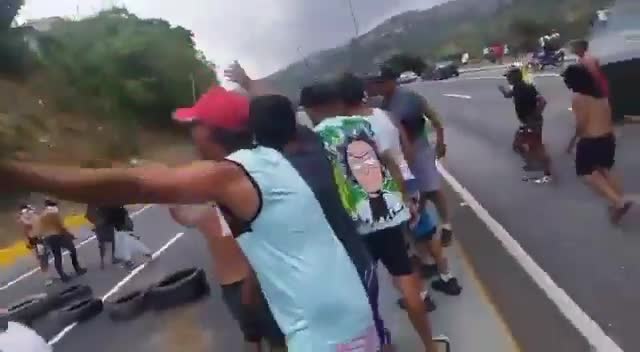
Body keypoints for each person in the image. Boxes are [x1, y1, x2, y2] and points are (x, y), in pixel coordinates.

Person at [0, 86, 377, 352]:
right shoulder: (269, 158)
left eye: (194, 124)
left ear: (212, 132)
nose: (189, 130)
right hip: (342, 316)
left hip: (327, 332)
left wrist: (18, 175)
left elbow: (134, 185)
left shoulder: (230, 175)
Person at [224, 62, 391, 349]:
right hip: (356, 262)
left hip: (324, 287)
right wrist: (250, 82)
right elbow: (283, 110)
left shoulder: (259, 180)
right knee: (369, 329)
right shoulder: (312, 146)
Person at [301, 81, 437, 352]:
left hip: (355, 223)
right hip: (387, 213)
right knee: (406, 278)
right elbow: (385, 159)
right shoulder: (361, 125)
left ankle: (381, 345)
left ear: (312, 109)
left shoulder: (315, 138)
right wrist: (403, 195)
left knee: (365, 292)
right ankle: (430, 345)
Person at [338, 73, 461, 299]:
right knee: (425, 230)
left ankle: (421, 296)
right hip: (408, 183)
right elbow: (408, 149)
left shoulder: (347, 129)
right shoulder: (387, 116)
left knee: (404, 243)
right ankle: (447, 277)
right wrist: (408, 176)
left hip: (384, 193)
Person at [168, 204, 285, 352]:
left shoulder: (232, 206)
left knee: (271, 338)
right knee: (258, 335)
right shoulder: (205, 209)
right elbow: (184, 218)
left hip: (254, 282)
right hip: (236, 284)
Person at [367, 66, 455, 247]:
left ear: (392, 81)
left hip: (419, 147)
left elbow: (434, 117)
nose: (379, 86)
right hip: (401, 153)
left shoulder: (409, 98)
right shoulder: (382, 104)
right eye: (377, 83)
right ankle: (419, 226)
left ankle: (446, 224)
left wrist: (440, 141)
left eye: (382, 82)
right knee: (414, 189)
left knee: (431, 188)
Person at [562, 64, 633, 224]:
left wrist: (572, 143)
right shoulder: (602, 95)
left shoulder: (579, 99)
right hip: (607, 138)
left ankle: (618, 202)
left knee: (587, 174)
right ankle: (619, 201)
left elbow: (581, 125)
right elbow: (608, 117)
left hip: (590, 141)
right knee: (606, 170)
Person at [498, 66, 554, 183]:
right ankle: (540, 164)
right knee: (523, 144)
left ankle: (546, 170)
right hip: (530, 121)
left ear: (514, 77)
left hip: (532, 122)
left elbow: (543, 101)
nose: (507, 79)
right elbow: (508, 95)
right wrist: (502, 90)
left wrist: (534, 116)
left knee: (529, 145)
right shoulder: (518, 88)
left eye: (508, 77)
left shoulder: (525, 88)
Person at [36, 200, 86, 282]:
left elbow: (40, 229)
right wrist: (70, 235)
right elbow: (60, 226)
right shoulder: (54, 213)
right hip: (57, 235)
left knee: (57, 256)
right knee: (72, 249)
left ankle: (62, 276)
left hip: (48, 238)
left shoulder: (42, 215)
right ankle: (77, 268)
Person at [18, 204, 53, 286]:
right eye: (25, 211)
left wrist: (32, 211)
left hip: (41, 239)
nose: (27, 212)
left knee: (45, 257)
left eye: (27, 210)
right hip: (35, 241)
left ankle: (48, 275)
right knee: (42, 259)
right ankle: (47, 278)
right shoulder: (24, 219)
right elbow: (27, 225)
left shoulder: (34, 216)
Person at [86, 204, 118, 270]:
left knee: (102, 243)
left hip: (100, 226)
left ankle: (103, 261)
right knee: (111, 241)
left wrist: (95, 223)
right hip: (106, 225)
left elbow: (88, 215)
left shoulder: (92, 203)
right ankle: (112, 258)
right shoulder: (104, 201)